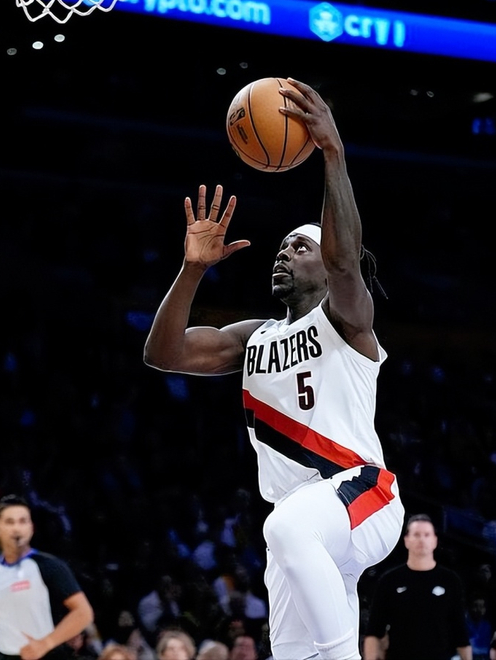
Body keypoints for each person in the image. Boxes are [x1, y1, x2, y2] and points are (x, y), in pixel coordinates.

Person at [143, 77, 404, 660]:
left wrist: (332, 152)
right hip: (299, 524)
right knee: (289, 650)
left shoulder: (348, 321)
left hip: (360, 493)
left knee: (287, 529)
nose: (284, 252)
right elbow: (164, 354)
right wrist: (191, 270)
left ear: (328, 263)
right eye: (282, 246)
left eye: (300, 247)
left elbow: (344, 259)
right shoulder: (253, 337)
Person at [0, 494, 94, 660]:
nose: (17, 528)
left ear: (31, 528)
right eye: (10, 522)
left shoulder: (49, 566)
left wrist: (46, 643)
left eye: (23, 521)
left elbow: (84, 612)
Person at [363, 513, 472, 660]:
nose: (421, 540)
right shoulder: (389, 580)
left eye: (426, 535)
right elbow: (374, 631)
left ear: (435, 541)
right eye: (416, 535)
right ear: (406, 540)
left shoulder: (450, 581)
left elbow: (460, 633)